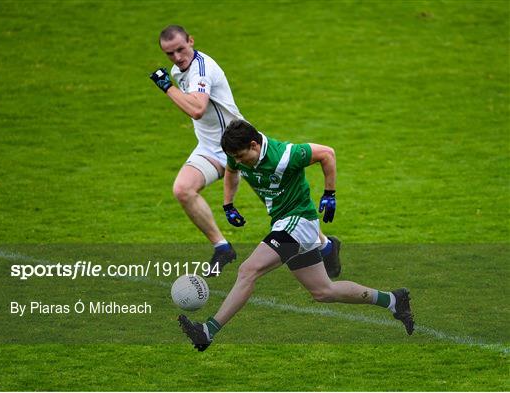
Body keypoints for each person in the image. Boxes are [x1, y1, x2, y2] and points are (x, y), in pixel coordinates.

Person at [178, 119, 415, 351]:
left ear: (254, 145)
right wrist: (228, 204)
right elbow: (231, 170)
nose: (239, 162)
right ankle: (393, 300)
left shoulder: (286, 155)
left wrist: (329, 193)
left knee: (248, 270)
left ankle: (207, 331)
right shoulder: (236, 155)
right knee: (323, 292)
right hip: (287, 224)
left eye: (242, 156)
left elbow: (327, 153)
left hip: (298, 221)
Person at [149, 25, 341, 278]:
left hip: (238, 146)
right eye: (169, 54)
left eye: (180, 50)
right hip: (209, 147)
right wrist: (228, 204)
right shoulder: (178, 70)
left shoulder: (202, 70)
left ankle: (326, 247)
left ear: (191, 41)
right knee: (183, 190)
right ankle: (222, 247)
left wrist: (167, 87)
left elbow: (196, 109)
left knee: (283, 206)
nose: (176, 58)